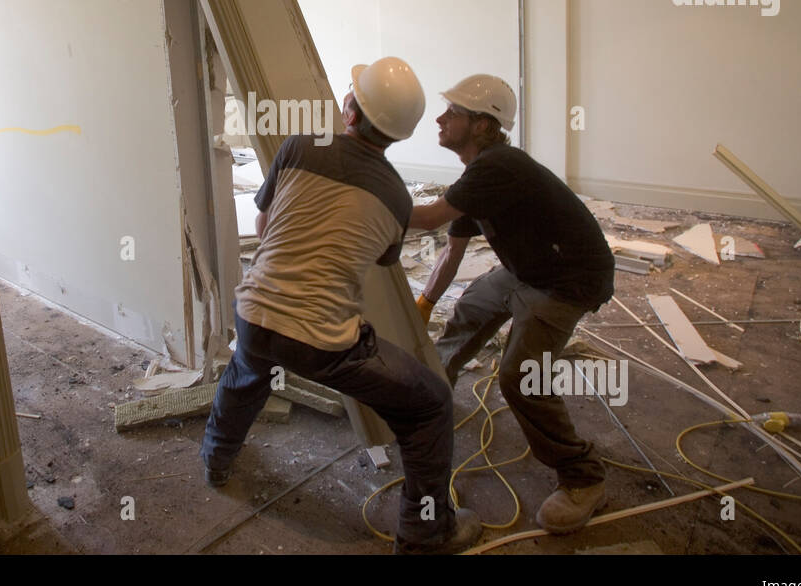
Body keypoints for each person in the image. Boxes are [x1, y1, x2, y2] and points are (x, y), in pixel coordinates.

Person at [200, 57, 482, 554]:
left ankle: (216, 461)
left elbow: (265, 231)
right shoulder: (397, 196)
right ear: (397, 136)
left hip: (255, 313)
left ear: (350, 111)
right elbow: (375, 258)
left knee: (248, 372)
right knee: (430, 404)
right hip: (322, 344)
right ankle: (424, 534)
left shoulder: (299, 146)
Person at [409, 74, 615, 534]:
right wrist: (426, 300)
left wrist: (364, 198)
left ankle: (584, 477)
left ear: (483, 125)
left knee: (519, 377)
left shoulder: (498, 166)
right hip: (526, 270)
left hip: (568, 282)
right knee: (470, 308)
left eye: (453, 113)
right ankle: (433, 400)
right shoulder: (478, 175)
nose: (440, 119)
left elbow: (426, 220)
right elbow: (451, 249)